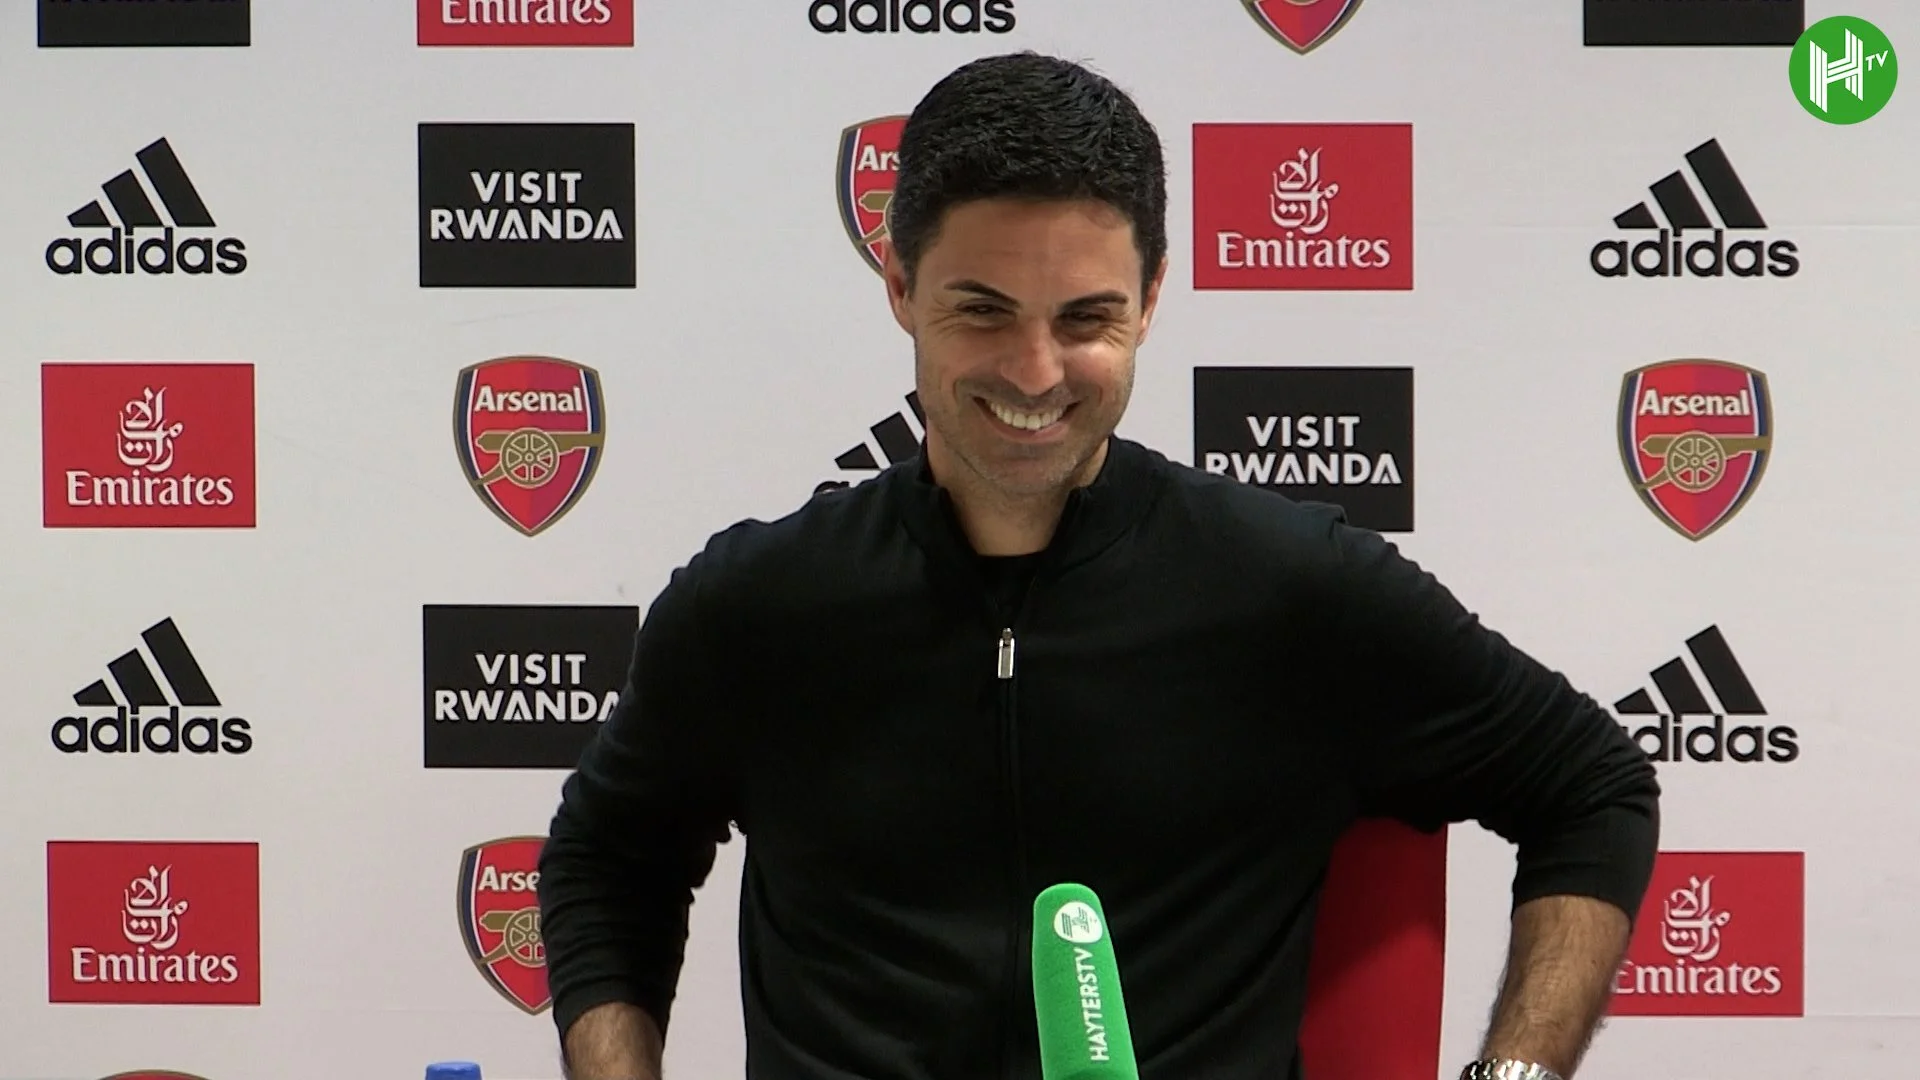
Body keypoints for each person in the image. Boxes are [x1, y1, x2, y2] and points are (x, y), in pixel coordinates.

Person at [536, 51, 1660, 1080]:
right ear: (899, 286)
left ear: (1152, 298)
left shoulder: (1291, 589)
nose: (1035, 372)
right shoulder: (756, 604)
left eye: (1086, 318)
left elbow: (1590, 785)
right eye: (983, 310)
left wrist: (1513, 1077)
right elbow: (606, 859)